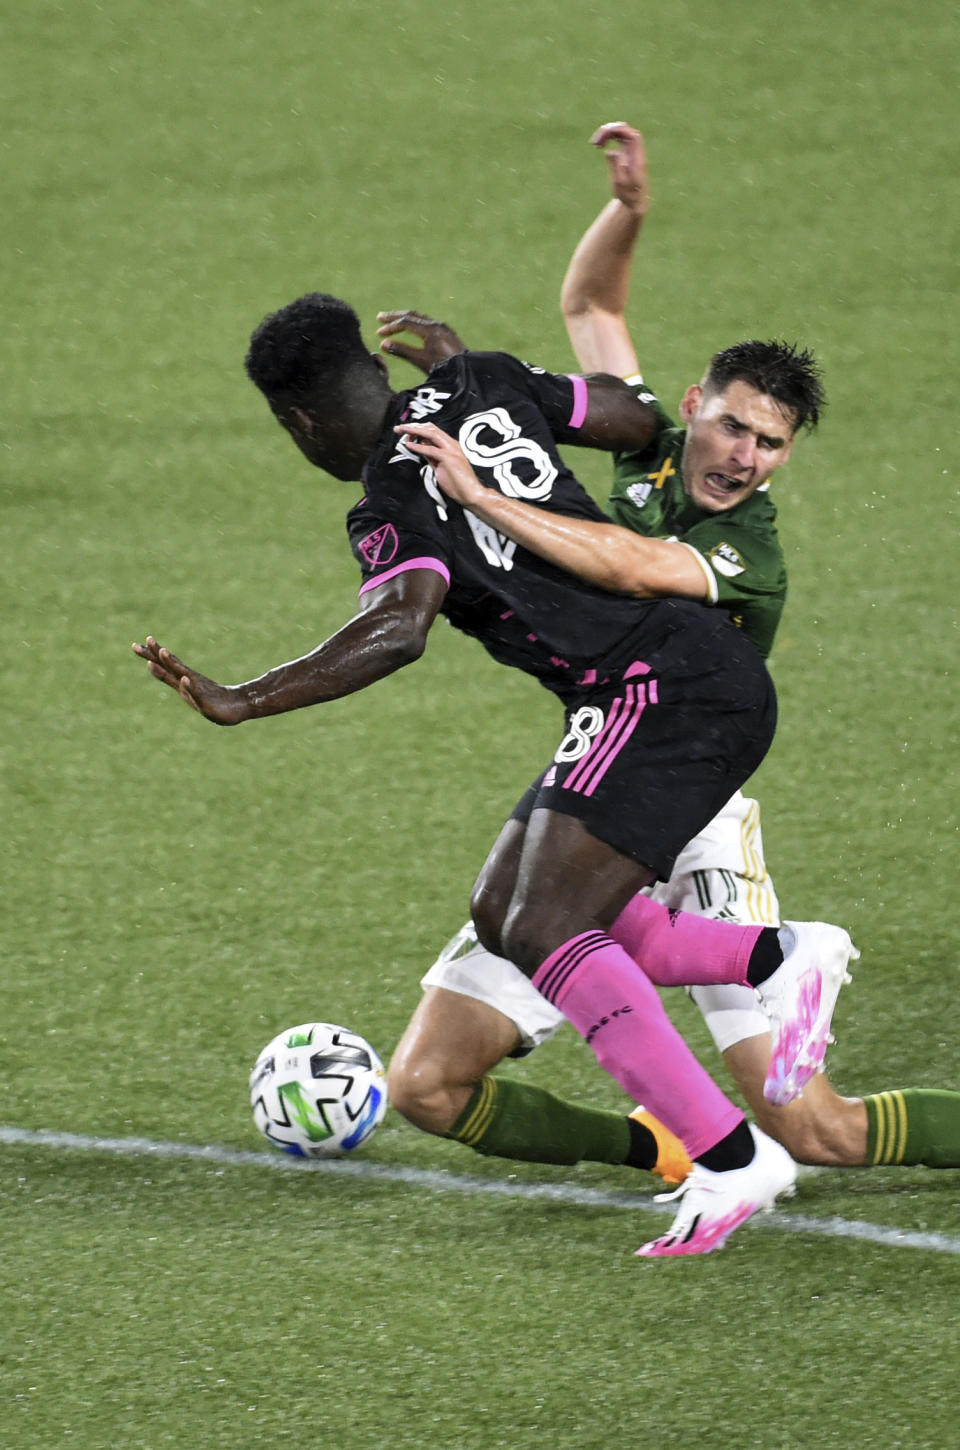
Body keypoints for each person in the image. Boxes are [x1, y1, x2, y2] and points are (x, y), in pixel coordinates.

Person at [133, 289, 857, 1257]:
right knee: (501, 913)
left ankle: (730, 1156)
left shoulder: (386, 502)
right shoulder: (478, 378)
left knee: (549, 921)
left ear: (298, 423)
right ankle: (778, 955)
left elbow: (399, 628)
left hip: (664, 686)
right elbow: (633, 415)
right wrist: (471, 376)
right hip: (649, 684)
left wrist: (243, 697)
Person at [378, 121, 960, 1186]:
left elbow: (631, 568)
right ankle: (656, 1149)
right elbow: (593, 312)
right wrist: (631, 211)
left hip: (693, 825)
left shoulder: (748, 551)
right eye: (734, 427)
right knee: (424, 1084)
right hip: (599, 793)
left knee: (812, 1130)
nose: (745, 456)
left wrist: (480, 491)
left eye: (771, 444)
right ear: (695, 406)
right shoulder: (648, 443)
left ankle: (744, 1126)